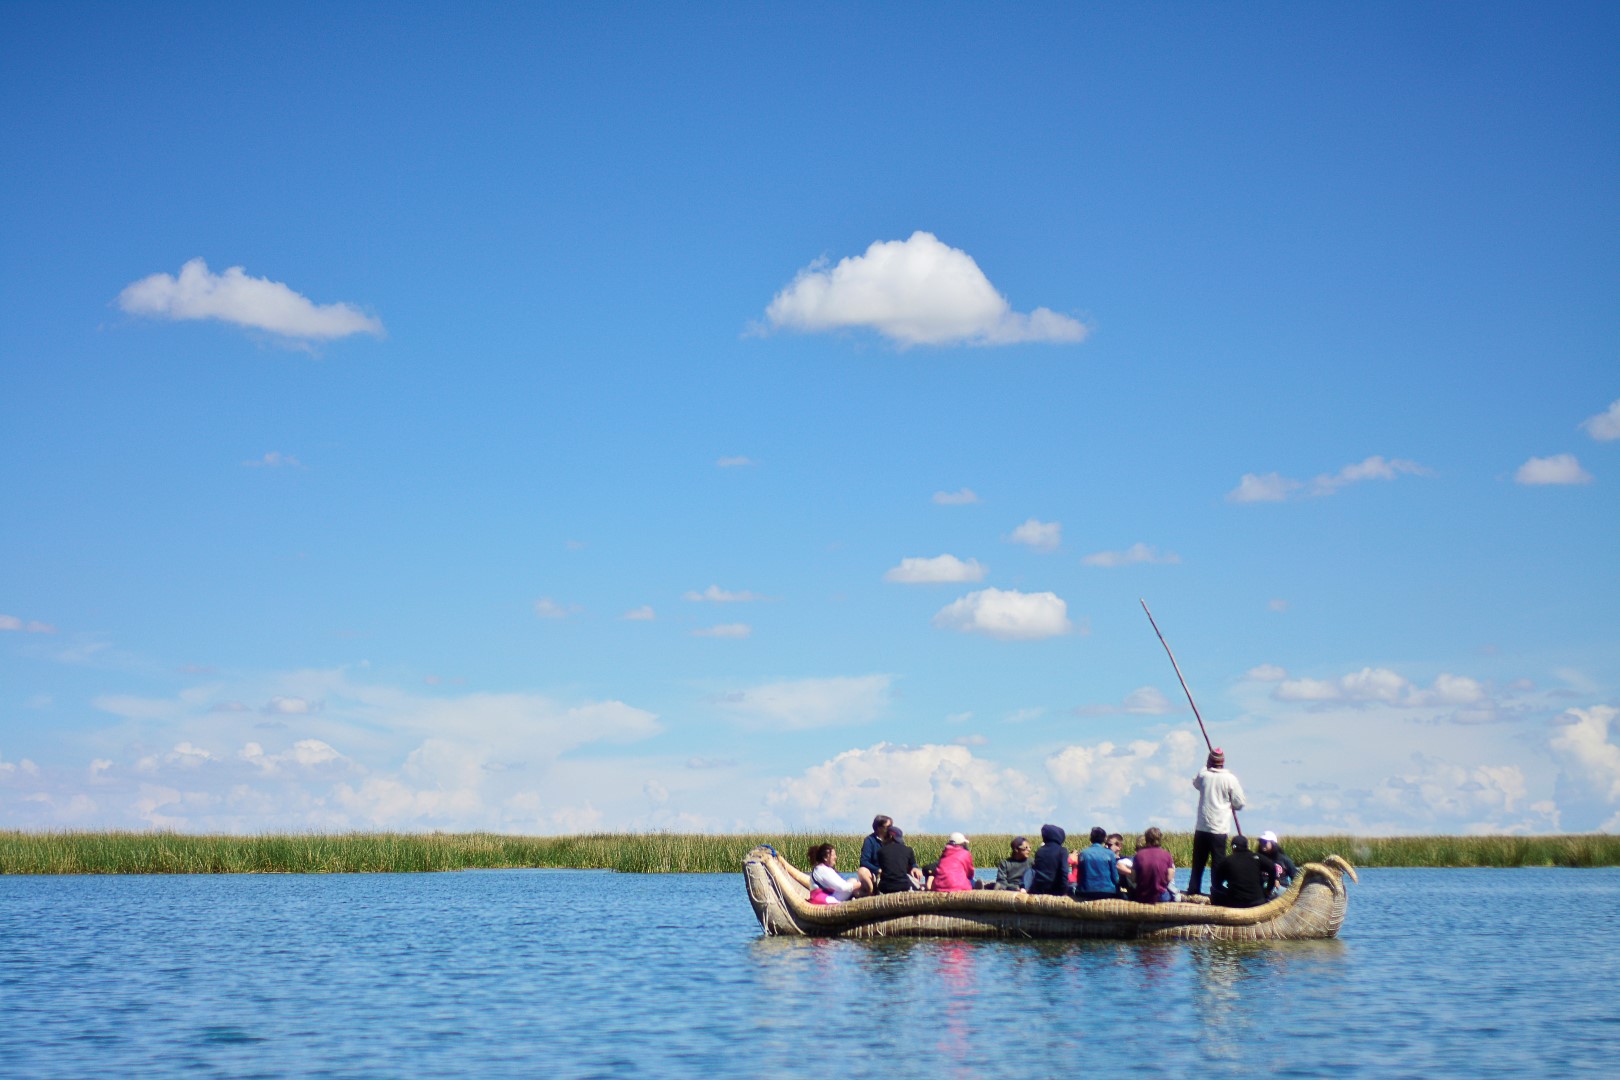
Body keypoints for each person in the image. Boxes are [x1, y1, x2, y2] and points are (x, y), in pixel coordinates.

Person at [1189, 748, 1246, 896]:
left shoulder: (1204, 776)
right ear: (1223, 762)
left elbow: (1195, 782)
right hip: (1219, 829)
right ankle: (1216, 891)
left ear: (1209, 762)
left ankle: (1193, 890)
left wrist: (1205, 766)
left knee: (1198, 862)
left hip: (1202, 827)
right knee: (1217, 862)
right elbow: (1239, 803)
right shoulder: (1230, 779)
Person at [1209, 834, 1273, 908]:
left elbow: (1216, 883)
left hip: (1235, 902)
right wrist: (1268, 889)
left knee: (1213, 890)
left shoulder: (1227, 861)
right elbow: (1273, 869)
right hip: (1257, 901)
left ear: (1233, 847)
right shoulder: (1258, 857)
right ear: (1246, 846)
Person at [1128, 827, 1176, 904]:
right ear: (1160, 839)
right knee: (1174, 896)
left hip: (1142, 896)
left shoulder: (1139, 855)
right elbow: (1169, 877)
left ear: (1146, 839)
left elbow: (1133, 878)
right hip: (1161, 895)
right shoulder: (1167, 854)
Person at [1074, 826, 1120, 901]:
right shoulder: (1110, 854)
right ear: (1104, 839)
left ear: (1091, 839)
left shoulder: (1083, 853)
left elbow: (1079, 876)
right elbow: (1115, 878)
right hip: (1107, 892)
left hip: (1086, 891)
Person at [876, 825, 924, 893]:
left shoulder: (880, 851)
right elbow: (912, 865)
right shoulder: (908, 850)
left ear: (889, 837)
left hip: (885, 887)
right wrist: (915, 867)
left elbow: (881, 868)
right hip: (904, 886)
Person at [1027, 824, 1071, 897]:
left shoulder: (1040, 851)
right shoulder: (1062, 851)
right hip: (1055, 890)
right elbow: (1064, 872)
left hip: (1038, 889)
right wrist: (1064, 891)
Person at [1256, 830, 1298, 897]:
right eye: (1261, 842)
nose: (1262, 844)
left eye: (1265, 842)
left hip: (1279, 889)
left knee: (1274, 889)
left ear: (1272, 843)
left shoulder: (1283, 859)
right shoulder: (1257, 859)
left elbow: (1296, 877)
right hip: (1262, 888)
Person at [858, 815, 892, 895]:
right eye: (888, 826)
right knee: (862, 871)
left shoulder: (894, 840)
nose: (891, 829)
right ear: (879, 827)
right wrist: (878, 870)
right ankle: (871, 892)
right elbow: (864, 861)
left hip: (892, 872)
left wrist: (914, 866)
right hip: (876, 874)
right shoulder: (869, 841)